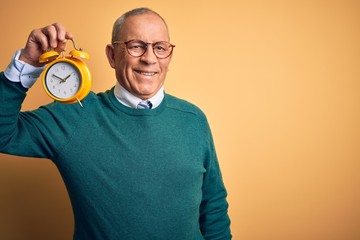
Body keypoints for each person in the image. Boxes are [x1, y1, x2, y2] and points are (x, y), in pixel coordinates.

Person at [0, 7, 232, 240]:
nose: (149, 58)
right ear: (112, 55)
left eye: (160, 48)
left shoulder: (193, 119)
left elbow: (213, 207)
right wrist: (27, 63)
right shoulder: (73, 117)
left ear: (169, 56)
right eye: (136, 46)